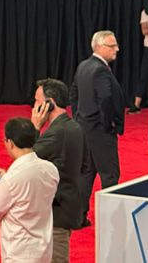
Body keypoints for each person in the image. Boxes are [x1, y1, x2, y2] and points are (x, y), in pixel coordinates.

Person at [70, 30, 125, 229]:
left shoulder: (84, 66)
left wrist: (79, 118)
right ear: (101, 47)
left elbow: (74, 94)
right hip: (100, 132)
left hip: (84, 128)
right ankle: (109, 221)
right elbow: (106, 99)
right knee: (110, 174)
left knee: (86, 173)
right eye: (113, 46)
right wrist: (107, 123)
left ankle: (79, 216)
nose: (117, 49)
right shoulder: (100, 70)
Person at [30, 79, 88, 263]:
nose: (34, 107)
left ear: (49, 103)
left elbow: (26, 161)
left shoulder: (57, 132)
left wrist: (35, 128)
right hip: (67, 206)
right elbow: (86, 165)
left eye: (37, 101)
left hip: (57, 212)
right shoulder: (75, 126)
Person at [0, 118, 59, 263]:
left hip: (19, 255)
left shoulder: (12, 180)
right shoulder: (51, 170)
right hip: (43, 252)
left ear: (10, 142)